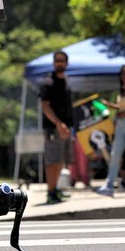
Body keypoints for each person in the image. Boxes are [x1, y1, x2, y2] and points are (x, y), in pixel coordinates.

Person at [96, 65, 125, 197]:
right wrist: (110, 105)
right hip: (121, 125)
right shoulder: (122, 89)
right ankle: (109, 185)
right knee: (115, 154)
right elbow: (121, 107)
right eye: (124, 74)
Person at [40, 50, 74, 204]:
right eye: (57, 60)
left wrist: (68, 126)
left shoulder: (66, 80)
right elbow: (45, 107)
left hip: (66, 129)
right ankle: (50, 192)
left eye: (62, 60)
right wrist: (59, 124)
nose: (60, 63)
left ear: (66, 63)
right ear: (54, 63)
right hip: (53, 128)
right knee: (52, 161)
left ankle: (56, 189)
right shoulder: (49, 82)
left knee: (61, 160)